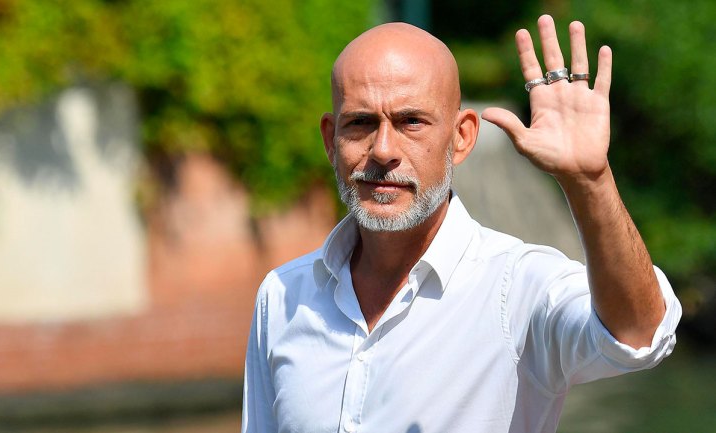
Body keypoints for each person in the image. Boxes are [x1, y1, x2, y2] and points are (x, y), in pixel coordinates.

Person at [241, 15, 681, 433]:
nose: (383, 150)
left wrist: (590, 181)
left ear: (462, 137)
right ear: (330, 140)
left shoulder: (517, 289)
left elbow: (639, 336)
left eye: (411, 121)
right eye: (360, 123)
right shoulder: (281, 297)